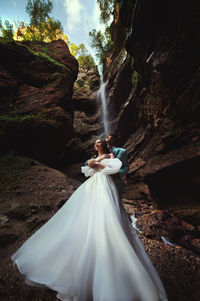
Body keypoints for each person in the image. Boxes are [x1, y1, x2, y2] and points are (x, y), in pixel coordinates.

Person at [11, 138, 168, 301]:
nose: (97, 143)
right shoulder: (93, 158)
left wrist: (99, 165)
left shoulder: (110, 155)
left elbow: (115, 170)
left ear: (104, 145)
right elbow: (87, 170)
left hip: (107, 185)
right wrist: (94, 164)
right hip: (93, 186)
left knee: (107, 212)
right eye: (96, 142)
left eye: (100, 141)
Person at [105, 133, 129, 199]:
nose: (108, 139)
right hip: (101, 181)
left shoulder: (121, 151)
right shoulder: (99, 151)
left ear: (115, 139)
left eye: (111, 138)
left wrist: (117, 174)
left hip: (115, 181)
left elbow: (126, 167)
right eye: (107, 137)